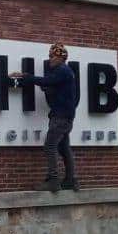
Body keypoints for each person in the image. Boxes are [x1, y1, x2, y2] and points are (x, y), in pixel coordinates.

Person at [13, 43, 80, 194]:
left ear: (61, 57)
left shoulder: (62, 70)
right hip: (66, 117)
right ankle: (71, 180)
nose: (49, 59)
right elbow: (54, 88)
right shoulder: (66, 72)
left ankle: (53, 181)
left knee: (50, 146)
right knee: (64, 148)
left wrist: (25, 76)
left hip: (60, 117)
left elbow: (46, 82)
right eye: (49, 56)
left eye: (52, 56)